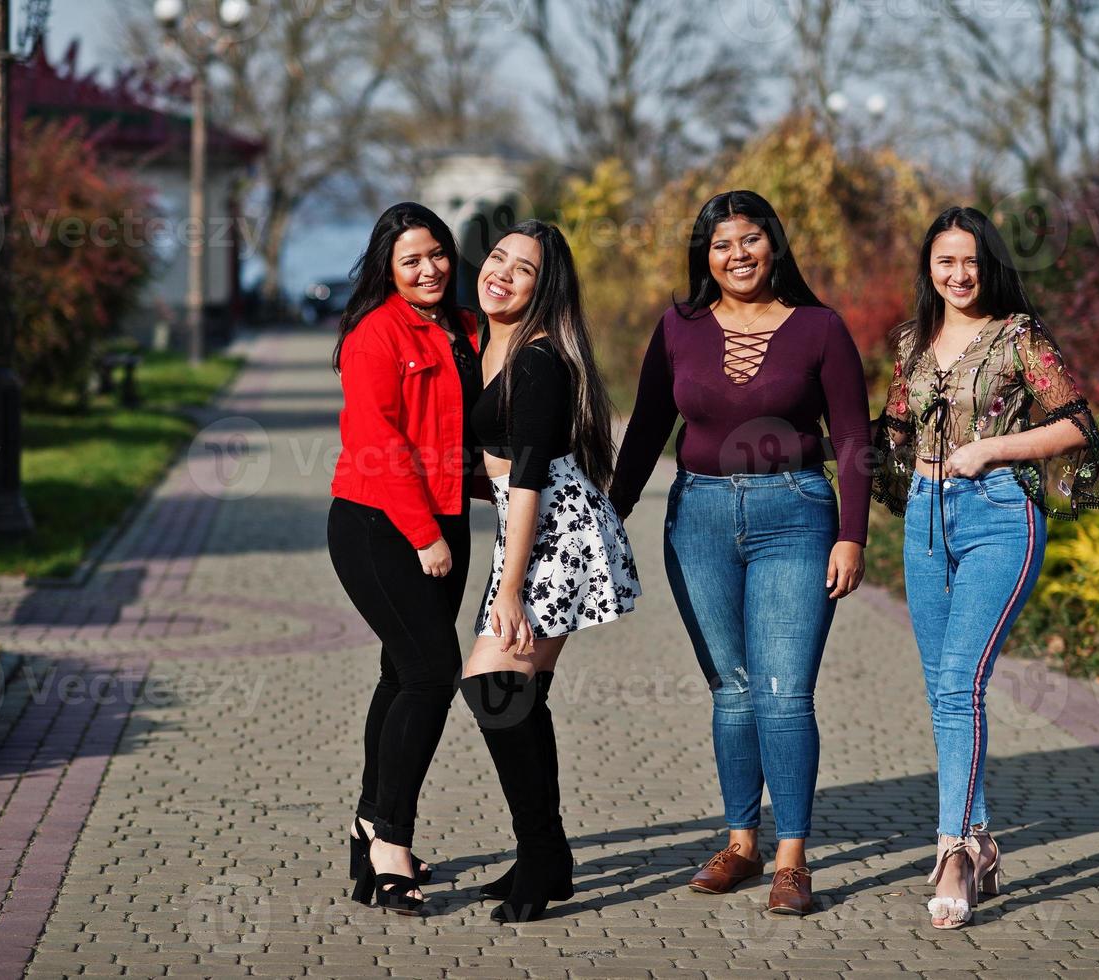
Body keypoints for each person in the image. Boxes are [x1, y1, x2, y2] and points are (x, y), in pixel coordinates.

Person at [609, 190, 872, 917]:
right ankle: (739, 843)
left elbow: (852, 438)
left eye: (750, 239)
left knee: (783, 694)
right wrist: (613, 511)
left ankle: (791, 858)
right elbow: (647, 430)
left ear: (773, 244)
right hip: (697, 516)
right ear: (704, 255)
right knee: (731, 691)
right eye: (721, 244)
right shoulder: (678, 328)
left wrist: (852, 534)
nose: (737, 255)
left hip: (795, 516)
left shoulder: (819, 328)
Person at [872, 205, 1099, 929]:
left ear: (989, 263)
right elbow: (890, 437)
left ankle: (950, 853)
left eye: (969, 260)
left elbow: (1076, 423)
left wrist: (990, 451)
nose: (958, 274)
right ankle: (979, 845)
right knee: (943, 690)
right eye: (944, 261)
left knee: (958, 683)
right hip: (925, 520)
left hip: (1000, 516)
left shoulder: (1015, 336)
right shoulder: (912, 341)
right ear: (929, 269)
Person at [460, 219, 641, 923]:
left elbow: (529, 474)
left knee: (492, 686)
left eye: (523, 269)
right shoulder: (486, 343)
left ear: (546, 289)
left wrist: (507, 588)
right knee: (515, 692)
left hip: (550, 527)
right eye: (496, 258)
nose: (501, 272)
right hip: (528, 523)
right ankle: (548, 855)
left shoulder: (535, 360)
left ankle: (542, 854)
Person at [328, 202, 482, 916]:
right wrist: (424, 536)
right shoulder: (375, 333)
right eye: (411, 260)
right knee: (430, 672)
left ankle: (367, 826)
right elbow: (379, 440)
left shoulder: (461, 328)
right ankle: (390, 841)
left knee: (401, 672)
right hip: (379, 522)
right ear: (387, 268)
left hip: (444, 516)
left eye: (438, 254)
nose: (429, 269)